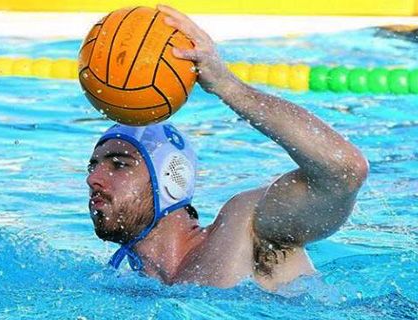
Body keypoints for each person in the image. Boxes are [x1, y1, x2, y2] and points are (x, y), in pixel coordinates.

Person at [86, 4, 369, 291]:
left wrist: (226, 85)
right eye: (93, 165)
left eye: (119, 164)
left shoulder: (245, 228)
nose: (92, 179)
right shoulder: (121, 284)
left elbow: (344, 170)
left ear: (172, 177)